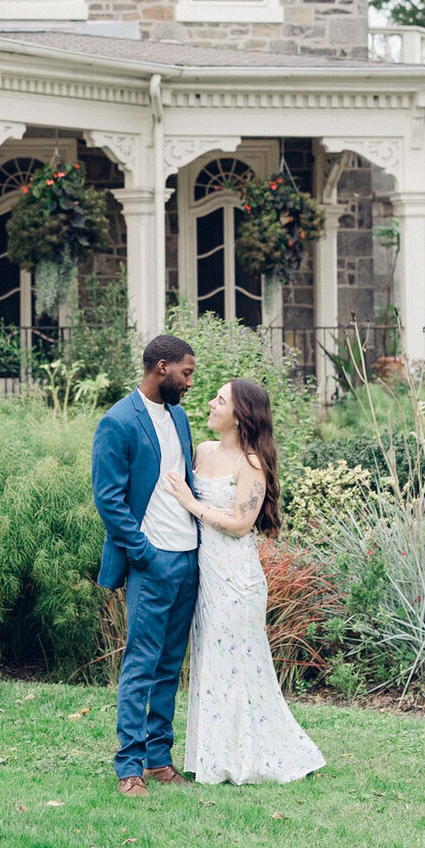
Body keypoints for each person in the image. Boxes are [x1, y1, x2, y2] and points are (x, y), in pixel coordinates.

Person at [164, 378, 325, 785]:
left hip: (236, 580)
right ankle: (213, 756)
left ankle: (252, 756)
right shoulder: (201, 451)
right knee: (212, 665)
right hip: (205, 577)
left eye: (221, 400)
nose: (211, 404)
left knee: (238, 666)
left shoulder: (250, 463)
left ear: (240, 416)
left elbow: (240, 525)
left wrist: (191, 503)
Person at [91, 334, 200, 799]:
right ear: (161, 367)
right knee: (141, 663)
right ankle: (129, 766)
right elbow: (109, 499)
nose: (191, 382)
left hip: (189, 559)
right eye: (187, 372)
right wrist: (144, 553)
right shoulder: (118, 422)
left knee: (170, 665)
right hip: (152, 561)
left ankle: (159, 759)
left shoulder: (179, 416)